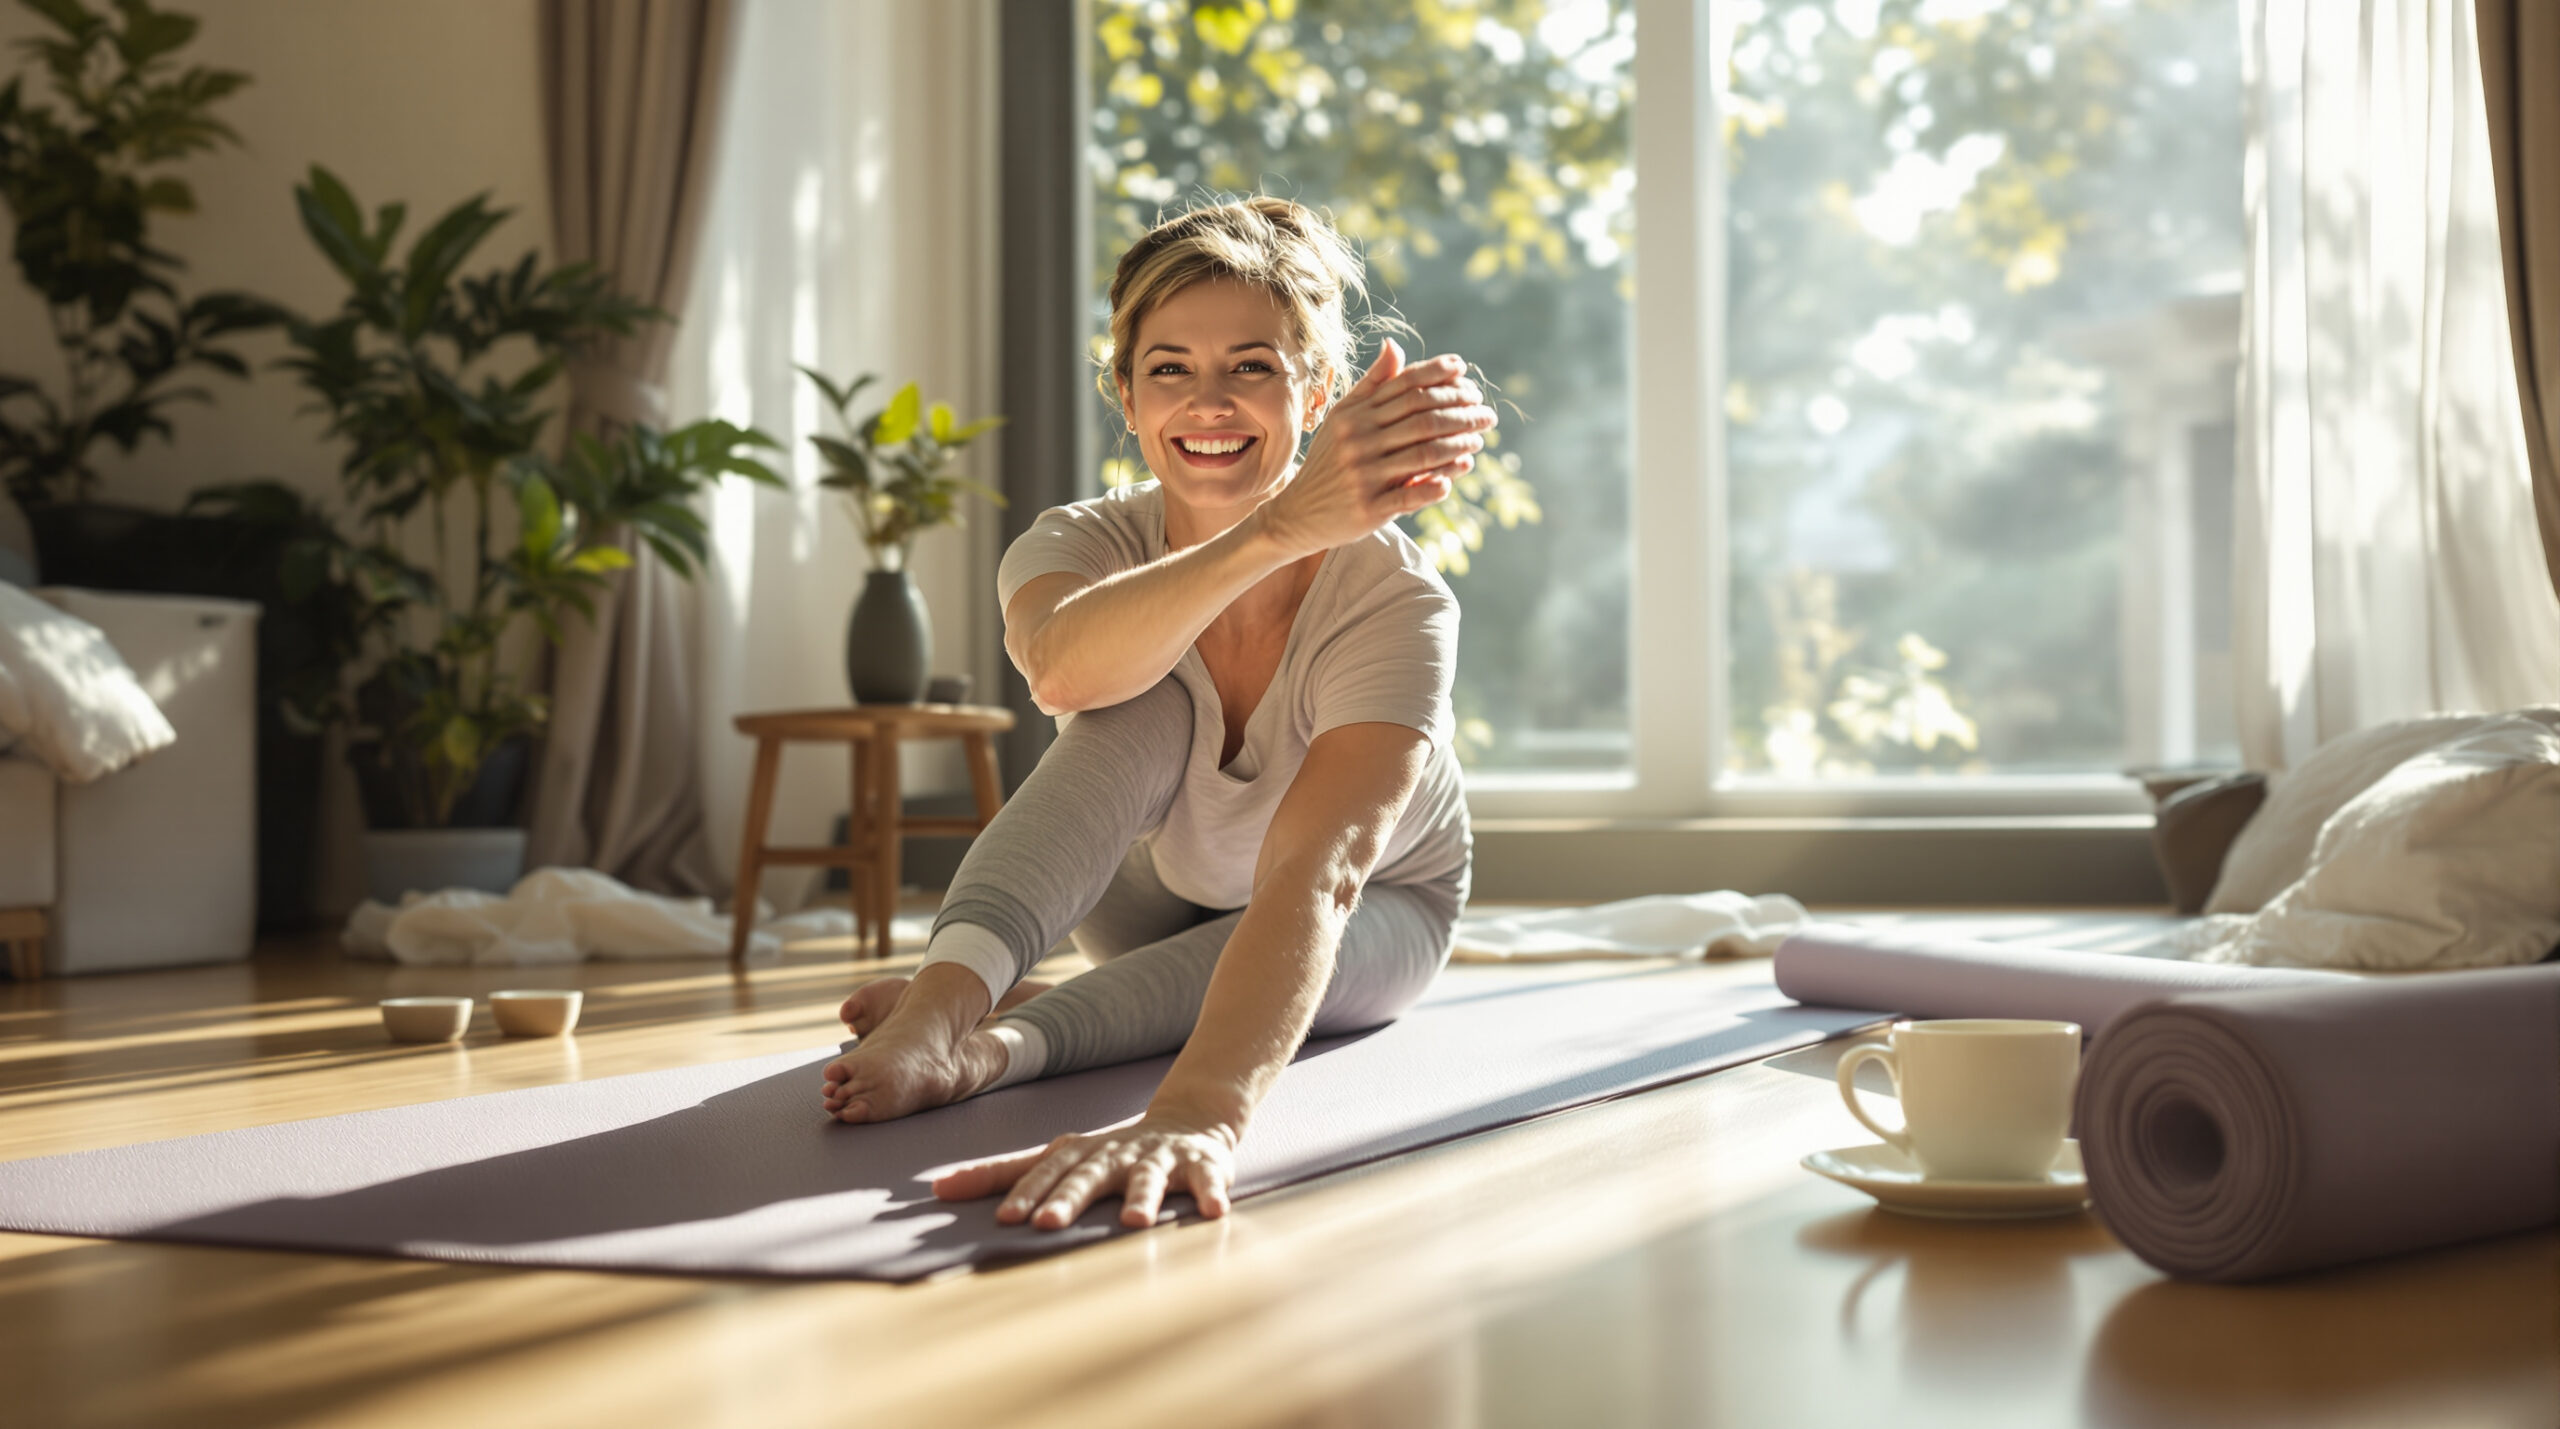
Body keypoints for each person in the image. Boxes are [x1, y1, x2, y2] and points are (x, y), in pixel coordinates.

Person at [817, 196, 1497, 1232]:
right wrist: (1275, 528)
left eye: (1252, 367)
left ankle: (992, 1048)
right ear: (1127, 397)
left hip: (1379, 907)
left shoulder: (1395, 603)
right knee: (1137, 698)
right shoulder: (1078, 542)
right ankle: (939, 1004)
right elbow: (1059, 671)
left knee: (1225, 956)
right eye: (1170, 368)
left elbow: (1317, 880)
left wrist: (1195, 1116)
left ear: (1316, 389)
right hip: (1146, 888)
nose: (1208, 402)